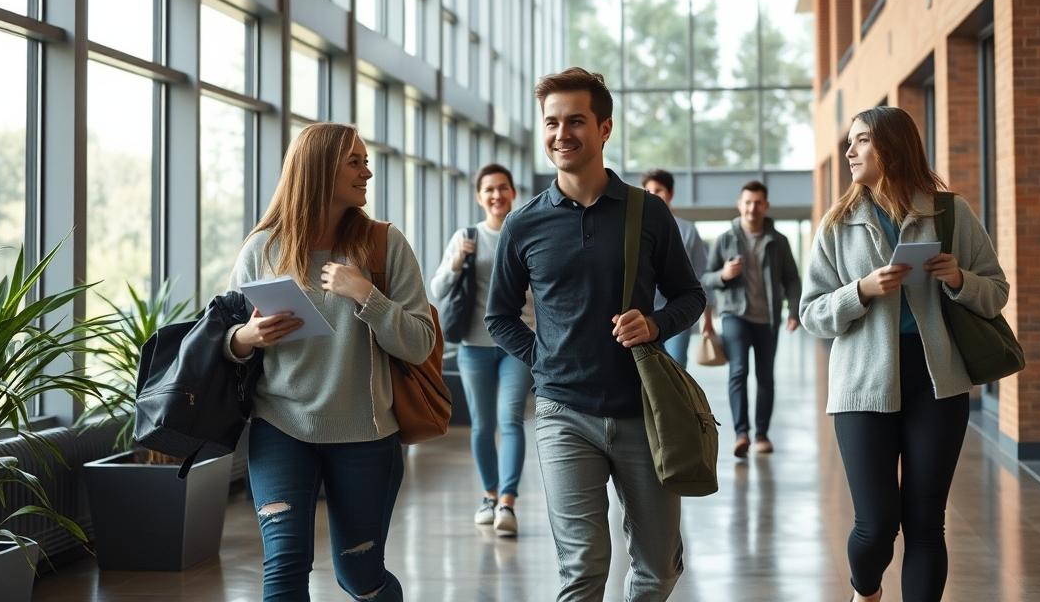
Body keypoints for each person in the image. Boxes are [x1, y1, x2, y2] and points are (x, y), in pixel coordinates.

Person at [486, 67, 706, 602]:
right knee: (583, 570)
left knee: (657, 568)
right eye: (552, 122)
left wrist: (655, 323)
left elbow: (690, 296)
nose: (562, 133)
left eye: (576, 121)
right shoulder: (524, 223)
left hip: (642, 411)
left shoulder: (648, 213)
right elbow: (499, 316)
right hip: (563, 414)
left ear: (604, 128)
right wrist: (544, 361)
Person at [799, 106, 1008, 602]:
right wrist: (861, 290)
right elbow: (811, 313)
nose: (850, 151)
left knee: (925, 522)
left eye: (862, 140)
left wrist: (958, 278)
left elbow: (995, 292)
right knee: (875, 526)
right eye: (850, 141)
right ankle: (865, 590)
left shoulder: (952, 213)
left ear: (892, 147)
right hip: (861, 387)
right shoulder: (837, 224)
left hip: (937, 383)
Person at [224, 122, 435, 602]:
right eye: (355, 162)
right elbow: (222, 339)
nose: (368, 171)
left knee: (358, 575)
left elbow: (420, 344)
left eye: (365, 160)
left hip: (366, 435)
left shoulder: (385, 245)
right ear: (320, 170)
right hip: (280, 428)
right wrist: (246, 336)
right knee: (283, 566)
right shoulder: (262, 248)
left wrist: (366, 294)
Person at [429, 163, 535, 538]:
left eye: (503, 188)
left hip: (517, 345)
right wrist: (458, 261)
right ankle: (488, 495)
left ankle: (507, 501)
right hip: (474, 345)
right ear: (479, 196)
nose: (496, 195)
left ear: (512, 193)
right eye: (489, 189)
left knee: (510, 421)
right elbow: (438, 289)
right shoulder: (466, 236)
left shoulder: (525, 232)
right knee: (482, 424)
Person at [700, 180, 801, 458]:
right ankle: (741, 433)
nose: (752, 208)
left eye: (757, 203)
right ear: (739, 204)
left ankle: (762, 435)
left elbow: (792, 279)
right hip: (735, 315)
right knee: (738, 371)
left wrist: (793, 311)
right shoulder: (726, 238)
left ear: (765, 206)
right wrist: (724, 275)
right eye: (747, 202)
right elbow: (706, 278)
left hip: (768, 318)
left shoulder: (779, 241)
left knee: (765, 376)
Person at [640, 169, 713, 368]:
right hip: (643, 314)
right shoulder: (635, 229)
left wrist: (708, 319)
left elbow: (701, 276)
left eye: (659, 190)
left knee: (676, 366)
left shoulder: (688, 230)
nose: (653, 195)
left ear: (670, 194)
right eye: (648, 190)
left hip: (677, 312)